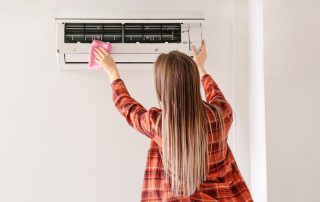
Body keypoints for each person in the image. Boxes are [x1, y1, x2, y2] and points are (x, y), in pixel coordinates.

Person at [94, 40, 253, 201]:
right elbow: (215, 93)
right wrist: (200, 67)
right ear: (193, 82)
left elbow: (127, 107)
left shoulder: (159, 125)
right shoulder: (221, 116)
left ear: (163, 88)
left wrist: (112, 71)